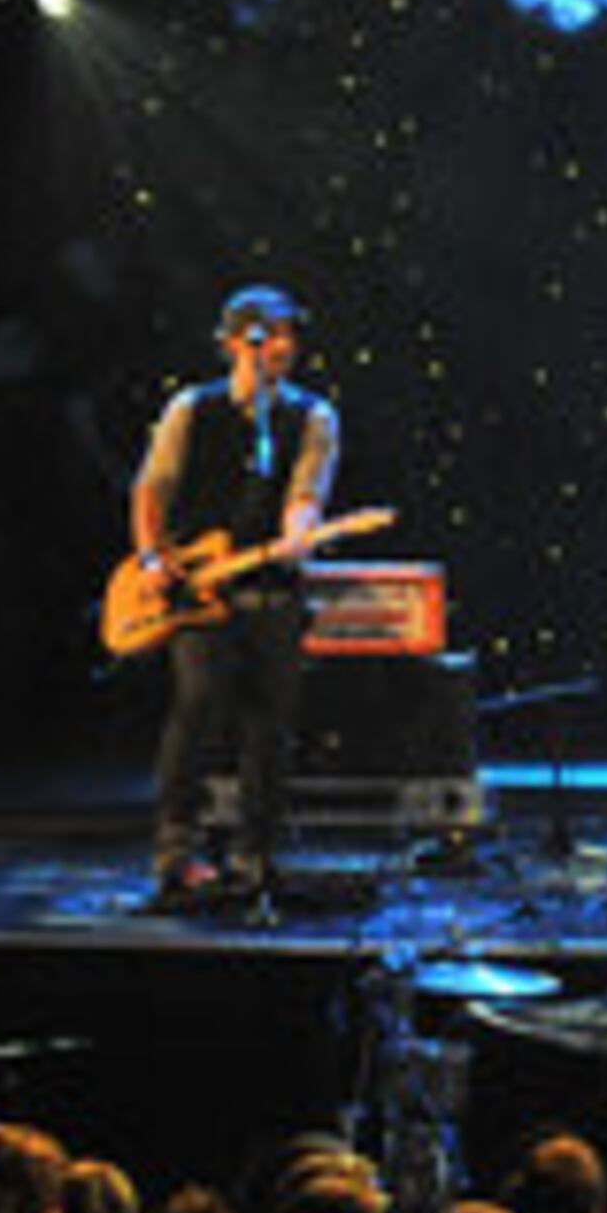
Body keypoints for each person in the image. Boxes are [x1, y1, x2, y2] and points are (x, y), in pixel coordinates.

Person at [132, 284, 343, 905]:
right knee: (197, 707)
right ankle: (175, 853)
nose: (285, 346)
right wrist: (150, 556)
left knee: (270, 726)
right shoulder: (189, 410)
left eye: (288, 335)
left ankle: (258, 855)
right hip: (198, 593)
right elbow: (152, 490)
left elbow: (306, 496)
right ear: (235, 342)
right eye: (270, 334)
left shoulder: (312, 417)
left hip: (272, 591)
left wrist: (299, 534)